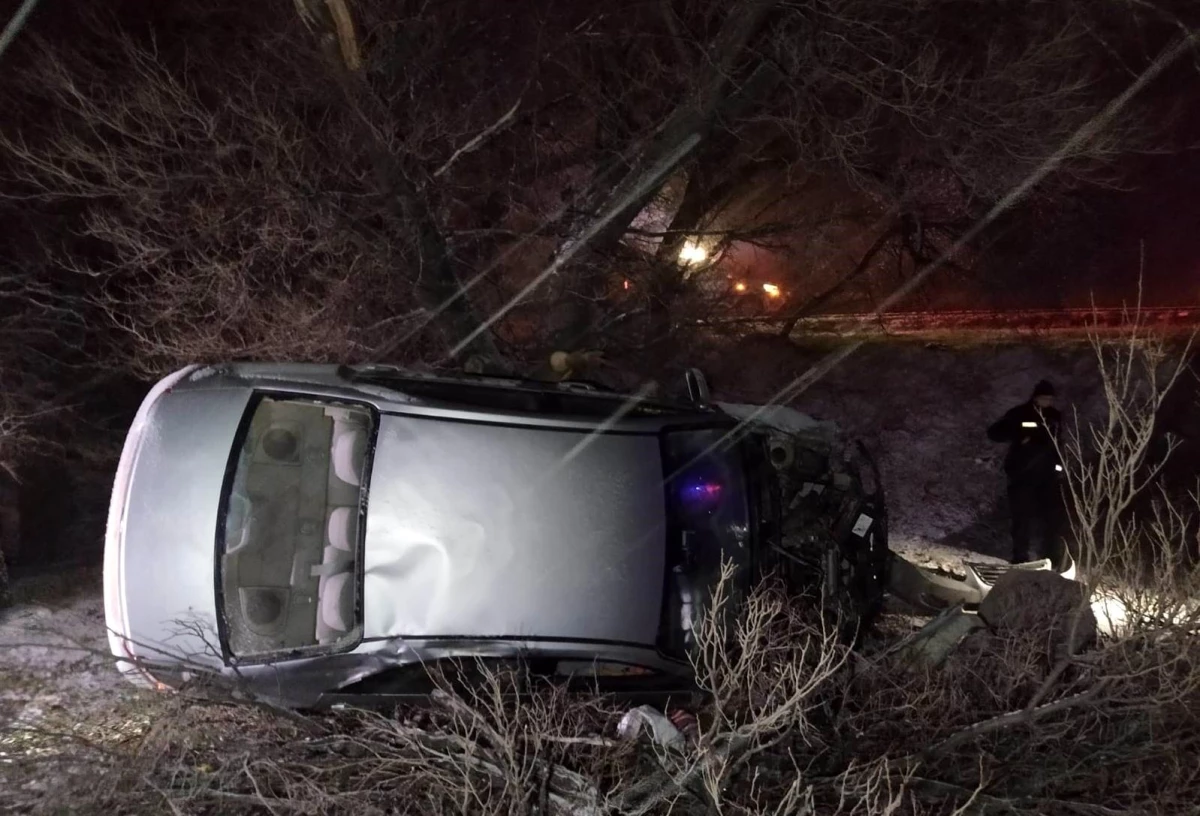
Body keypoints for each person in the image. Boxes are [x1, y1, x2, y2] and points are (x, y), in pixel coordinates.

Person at [987, 380, 1065, 565]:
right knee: (1022, 519)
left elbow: (1058, 445)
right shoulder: (1020, 413)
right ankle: (1020, 557)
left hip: (1047, 477)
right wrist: (1019, 434)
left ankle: (1052, 558)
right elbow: (995, 433)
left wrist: (1059, 468)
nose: (1047, 402)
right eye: (1044, 398)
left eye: (1050, 399)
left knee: (1052, 520)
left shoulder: (1055, 416)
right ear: (1036, 397)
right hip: (1022, 474)